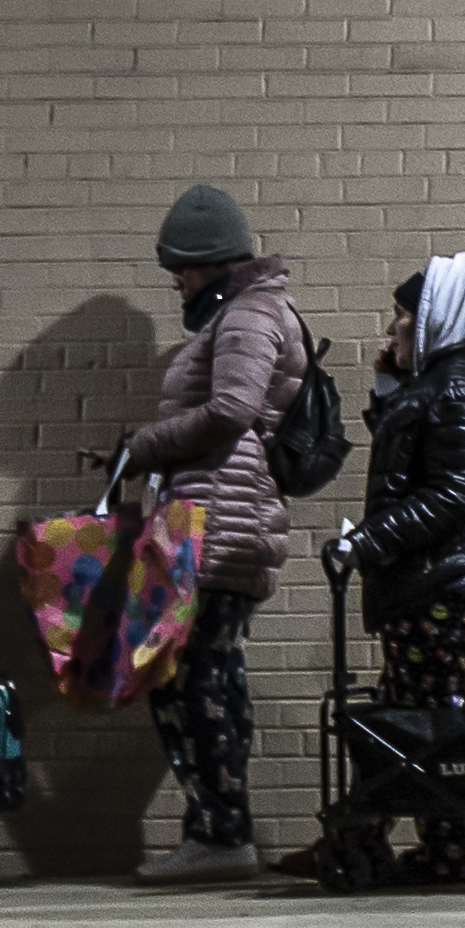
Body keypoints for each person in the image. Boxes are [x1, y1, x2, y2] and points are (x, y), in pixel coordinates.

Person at [105, 184, 315, 885]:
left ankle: (221, 831)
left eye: (183, 272)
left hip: (220, 522)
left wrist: (146, 444)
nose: (177, 285)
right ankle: (218, 827)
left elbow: (231, 408)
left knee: (188, 677)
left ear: (215, 262)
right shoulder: (243, 313)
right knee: (210, 676)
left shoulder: (250, 316)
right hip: (217, 515)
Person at [327, 251, 465, 887]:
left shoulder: (459, 385)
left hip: (453, 580)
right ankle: (373, 838)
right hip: (462, 575)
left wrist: (365, 543)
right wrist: (389, 394)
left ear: (436, 318)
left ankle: (442, 854)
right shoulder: (451, 381)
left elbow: (455, 490)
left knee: (425, 721)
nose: (390, 330)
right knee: (411, 709)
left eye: (401, 317)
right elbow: (421, 459)